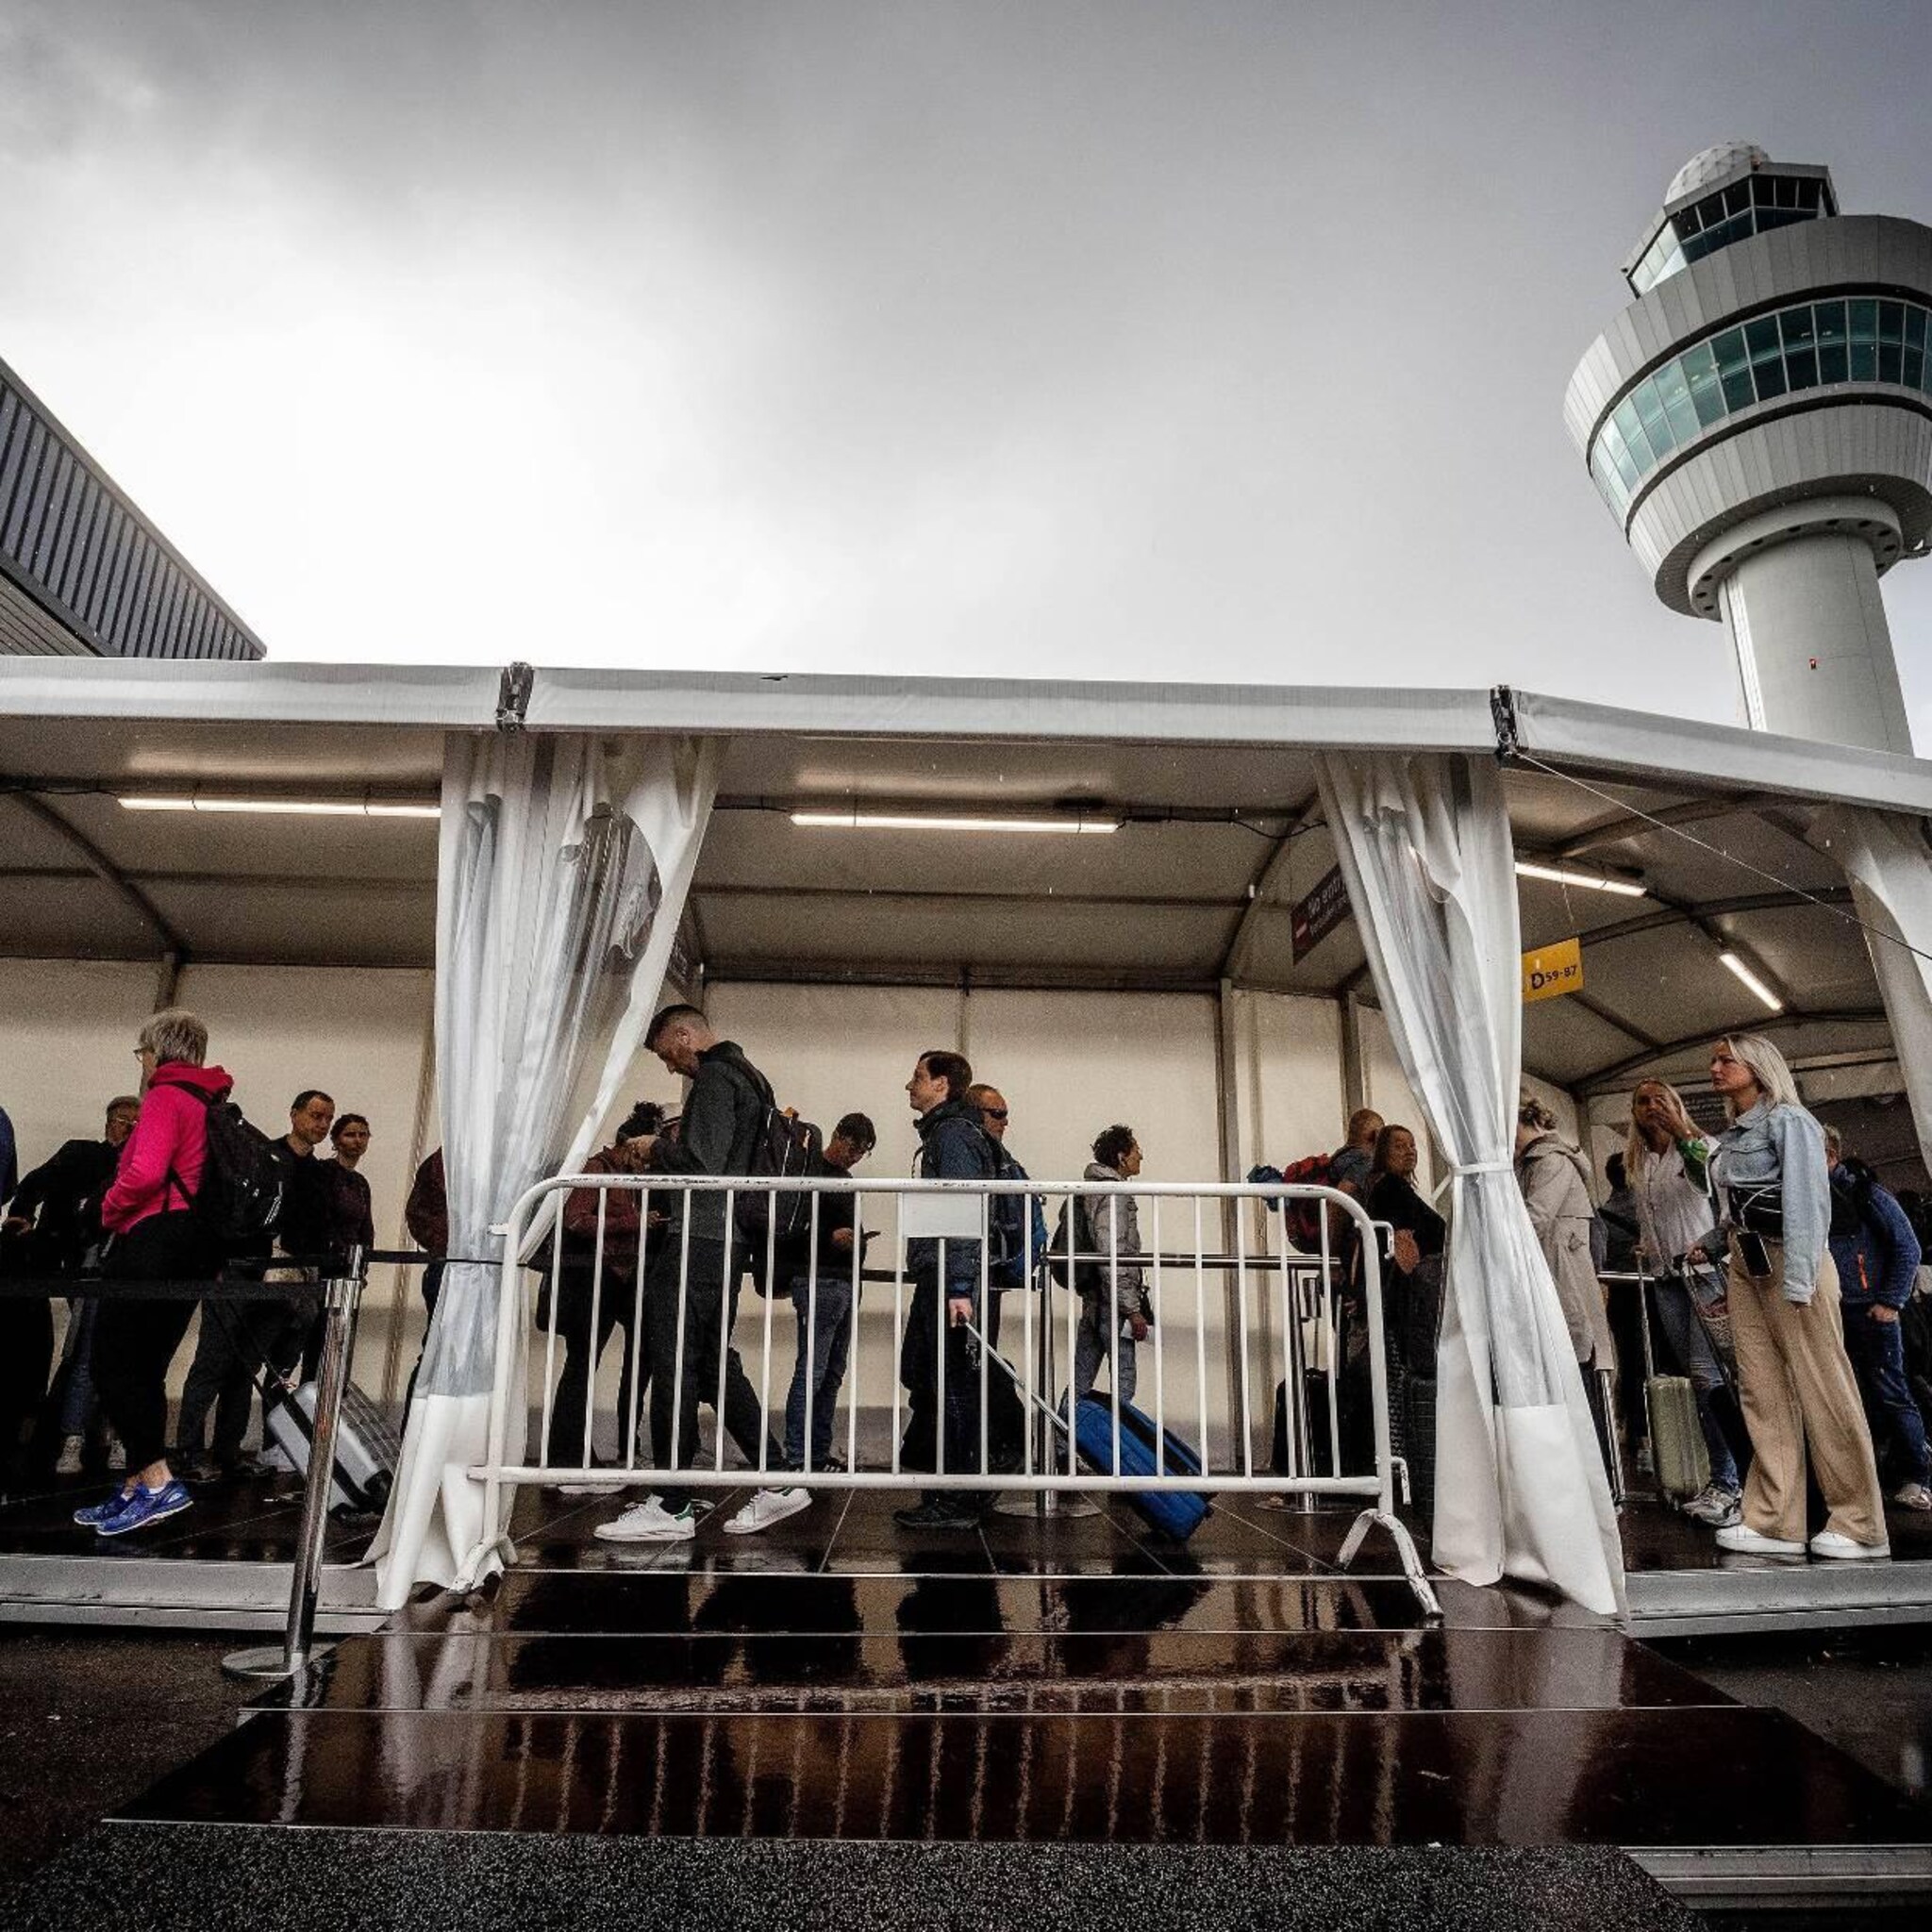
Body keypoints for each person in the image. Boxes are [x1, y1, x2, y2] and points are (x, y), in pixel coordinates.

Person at [596, 1007, 793, 1544]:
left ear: (685, 1035)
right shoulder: (753, 1077)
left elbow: (701, 1165)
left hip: (700, 1236)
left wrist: (653, 1146)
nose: (669, 1067)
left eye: (666, 1054)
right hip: (730, 1241)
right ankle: (776, 1476)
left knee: (674, 1357)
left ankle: (673, 1499)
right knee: (709, 1363)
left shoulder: (714, 1077)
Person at [1707, 1036, 1887, 1559]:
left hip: (1792, 1255)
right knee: (1762, 1390)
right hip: (1747, 1258)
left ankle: (1860, 1522)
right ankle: (1774, 1519)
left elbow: (1809, 1204)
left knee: (1824, 1387)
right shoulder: (1735, 1133)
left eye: (1726, 1059)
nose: (1716, 1068)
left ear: (1757, 1067)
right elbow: (1732, 1206)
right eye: (1714, 1061)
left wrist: (1801, 1280)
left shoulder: (1790, 1122)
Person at [75, 1010, 230, 1536]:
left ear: (158, 1051)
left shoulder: (166, 1095)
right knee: (144, 1368)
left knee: (111, 1363)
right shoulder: (209, 1103)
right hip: (194, 1248)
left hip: (154, 1241)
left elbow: (144, 1172)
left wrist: (106, 1210)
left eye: (142, 1051)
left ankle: (159, 1482)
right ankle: (136, 1488)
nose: (141, 1061)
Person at [175, 1088, 334, 1481]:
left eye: (327, 1118)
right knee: (212, 1361)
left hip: (287, 1277)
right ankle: (189, 1452)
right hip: (240, 1267)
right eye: (315, 1115)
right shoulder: (263, 1156)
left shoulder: (320, 1174)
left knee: (245, 1366)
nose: (321, 1124)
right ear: (294, 1114)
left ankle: (228, 1451)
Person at [1625, 1078, 1743, 1529]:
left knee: (1708, 1374)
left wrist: (1682, 1132)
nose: (1651, 1107)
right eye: (1642, 1101)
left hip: (1705, 1272)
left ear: (1676, 1105)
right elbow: (1651, 1214)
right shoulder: (1640, 1161)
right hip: (1666, 1276)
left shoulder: (1699, 1146)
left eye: (1660, 1100)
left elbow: (1706, 1187)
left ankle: (1730, 1482)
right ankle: (1721, 1478)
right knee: (1696, 1379)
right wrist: (1645, 1244)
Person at [4, 1095, 140, 1475]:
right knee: (85, 1351)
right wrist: (21, 1219)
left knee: (103, 1351)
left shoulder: (139, 1166)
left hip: (112, 1262)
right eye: (124, 1121)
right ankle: (74, 1435)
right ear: (109, 1123)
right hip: (76, 1261)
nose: (129, 1129)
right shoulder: (80, 1154)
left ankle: (96, 1434)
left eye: (136, 1124)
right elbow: (33, 1184)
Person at [893, 1049, 997, 1531]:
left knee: (954, 1385)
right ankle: (951, 1483)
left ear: (941, 1085)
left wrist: (959, 1287)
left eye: (918, 1078)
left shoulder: (952, 1134)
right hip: (946, 1277)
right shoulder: (948, 1132)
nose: (909, 1086)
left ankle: (960, 1496)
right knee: (928, 1372)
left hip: (954, 1281)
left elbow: (962, 1213)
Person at [549, 1102, 663, 1491]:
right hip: (592, 1278)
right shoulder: (598, 1170)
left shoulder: (616, 1173)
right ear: (632, 1146)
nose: (645, 1166)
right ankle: (567, 1458)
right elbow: (577, 1220)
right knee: (580, 1365)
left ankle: (574, 1456)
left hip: (615, 1278)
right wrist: (634, 1222)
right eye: (644, 1156)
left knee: (586, 1364)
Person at [1824, 1126, 1931, 1513]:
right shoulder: (1821, 1197)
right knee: (1863, 1396)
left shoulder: (1866, 1193)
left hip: (1870, 1306)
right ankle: (1884, 1476)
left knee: (1891, 1392)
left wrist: (1890, 1301)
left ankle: (1919, 1478)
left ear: (1830, 1154)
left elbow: (1908, 1246)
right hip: (1841, 1307)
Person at [780, 1112, 875, 1477]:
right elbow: (791, 1227)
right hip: (820, 1278)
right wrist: (829, 1238)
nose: (854, 1156)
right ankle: (797, 1455)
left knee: (831, 1372)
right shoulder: (809, 1173)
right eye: (852, 1147)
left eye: (861, 1151)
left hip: (842, 1281)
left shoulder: (842, 1179)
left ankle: (815, 1453)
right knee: (813, 1370)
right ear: (837, 1135)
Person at [1068, 1124, 1150, 1409]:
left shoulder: (1094, 1190)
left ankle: (1061, 1443)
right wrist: (1133, 1309)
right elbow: (1112, 1253)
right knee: (1124, 1381)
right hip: (1112, 1302)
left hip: (1096, 1298)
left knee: (1081, 1377)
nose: (1141, 1155)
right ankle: (1116, 1447)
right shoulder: (1114, 1195)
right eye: (1136, 1149)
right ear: (1121, 1157)